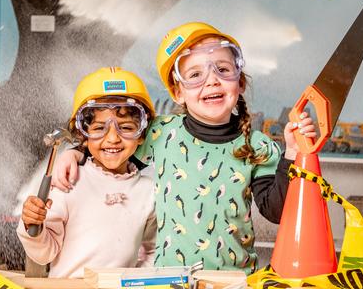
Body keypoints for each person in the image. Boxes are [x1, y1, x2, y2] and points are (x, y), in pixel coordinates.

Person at [51, 23, 316, 274]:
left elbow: (277, 212)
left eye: (223, 70)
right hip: (170, 283)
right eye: (196, 75)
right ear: (178, 93)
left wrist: (293, 154)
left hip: (236, 283)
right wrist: (76, 152)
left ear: (240, 82)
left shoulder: (257, 146)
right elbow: (115, 144)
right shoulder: (162, 133)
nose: (211, 81)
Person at [17, 67, 158, 278]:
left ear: (142, 134)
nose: (112, 139)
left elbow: (155, 250)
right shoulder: (68, 182)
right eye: (100, 128)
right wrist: (31, 224)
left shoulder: (148, 191)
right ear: (83, 134)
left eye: (126, 128)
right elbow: (44, 253)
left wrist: (134, 285)